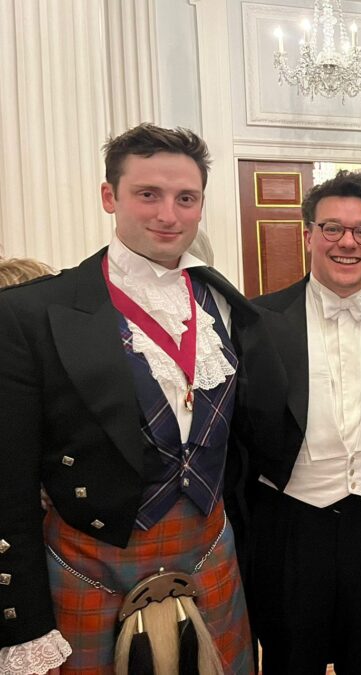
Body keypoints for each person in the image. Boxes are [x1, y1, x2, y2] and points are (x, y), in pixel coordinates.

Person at [0, 123, 279, 674]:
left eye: (186, 198)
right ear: (110, 197)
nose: (168, 215)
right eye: (148, 194)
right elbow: (8, 483)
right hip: (91, 560)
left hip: (209, 548)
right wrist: (24, 622)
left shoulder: (224, 302)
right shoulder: (31, 313)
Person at [242, 170, 361, 674]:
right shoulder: (258, 320)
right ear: (309, 236)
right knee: (290, 660)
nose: (348, 242)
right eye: (332, 228)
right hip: (289, 523)